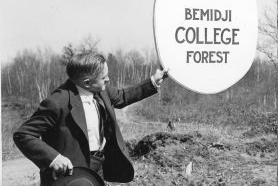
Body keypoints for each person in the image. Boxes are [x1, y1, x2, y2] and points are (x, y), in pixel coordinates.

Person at [13, 52, 168, 185]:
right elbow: (23, 135)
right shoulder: (57, 102)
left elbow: (122, 97)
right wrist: (54, 158)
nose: (108, 80)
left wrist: (154, 81)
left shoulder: (101, 90)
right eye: (104, 77)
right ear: (87, 82)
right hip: (72, 174)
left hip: (97, 165)